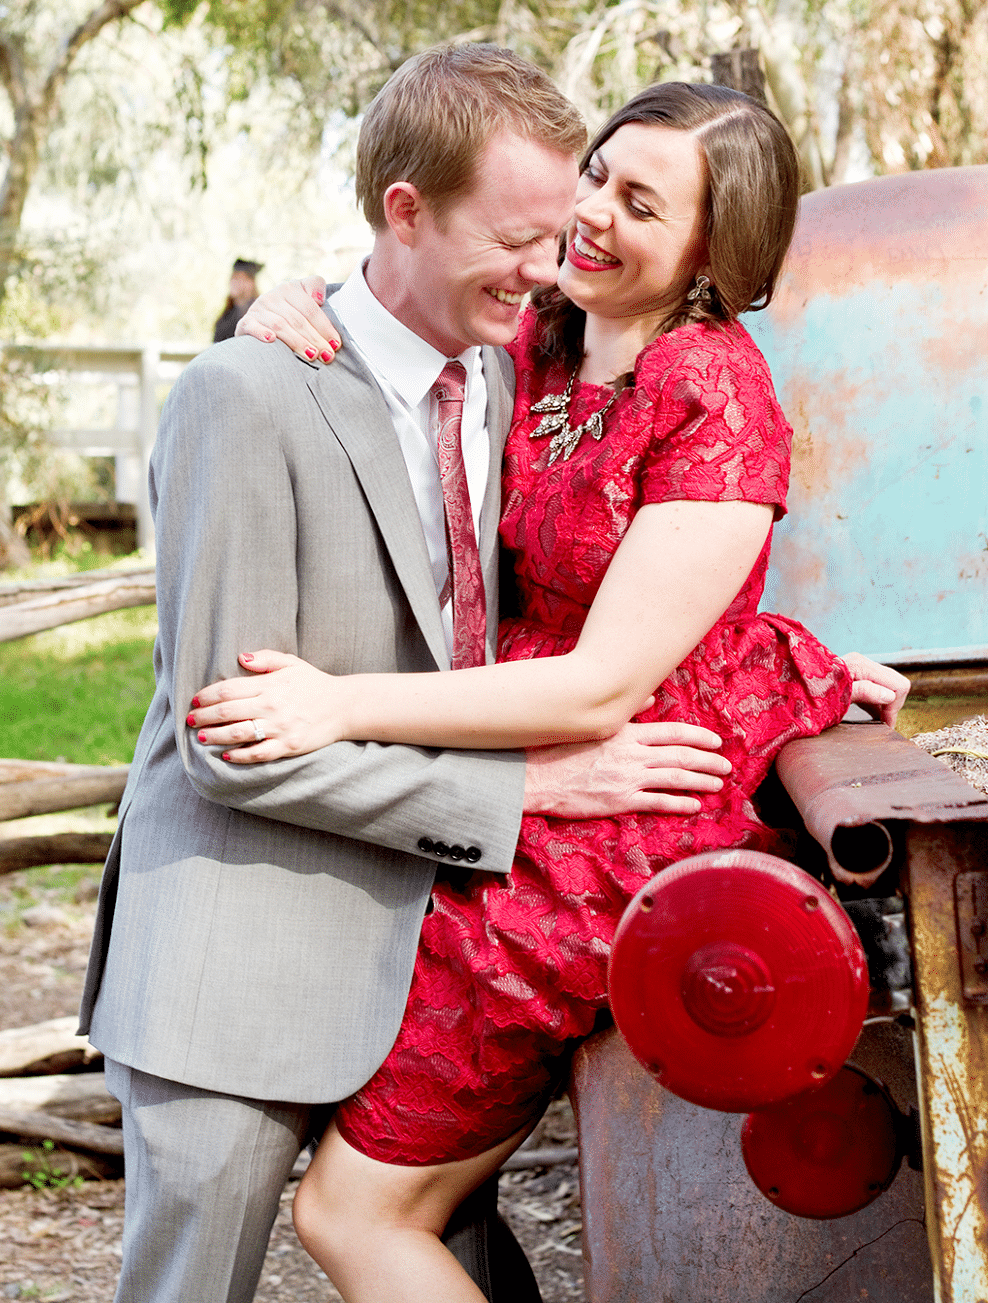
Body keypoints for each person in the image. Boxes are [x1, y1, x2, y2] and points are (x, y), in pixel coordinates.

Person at [200, 80, 910, 1303]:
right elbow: (407, 274)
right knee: (384, 1197)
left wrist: (334, 704)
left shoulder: (712, 394)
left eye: (640, 203)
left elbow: (600, 684)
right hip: (509, 777)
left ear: (708, 251)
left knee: (349, 1211)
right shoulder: (544, 331)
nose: (589, 216)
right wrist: (295, 299)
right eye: (596, 175)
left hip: (608, 813)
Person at [78, 46, 747, 1303]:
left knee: (465, 1266)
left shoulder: (519, 368)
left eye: (562, 232)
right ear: (403, 209)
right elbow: (230, 739)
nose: (550, 267)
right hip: (243, 944)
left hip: (434, 955)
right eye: (516, 236)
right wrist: (524, 794)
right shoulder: (247, 392)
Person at [213, 258, 263, 341]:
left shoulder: (259, 314)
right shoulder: (227, 315)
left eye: (238, 278)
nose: (233, 282)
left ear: (250, 283)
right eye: (232, 278)